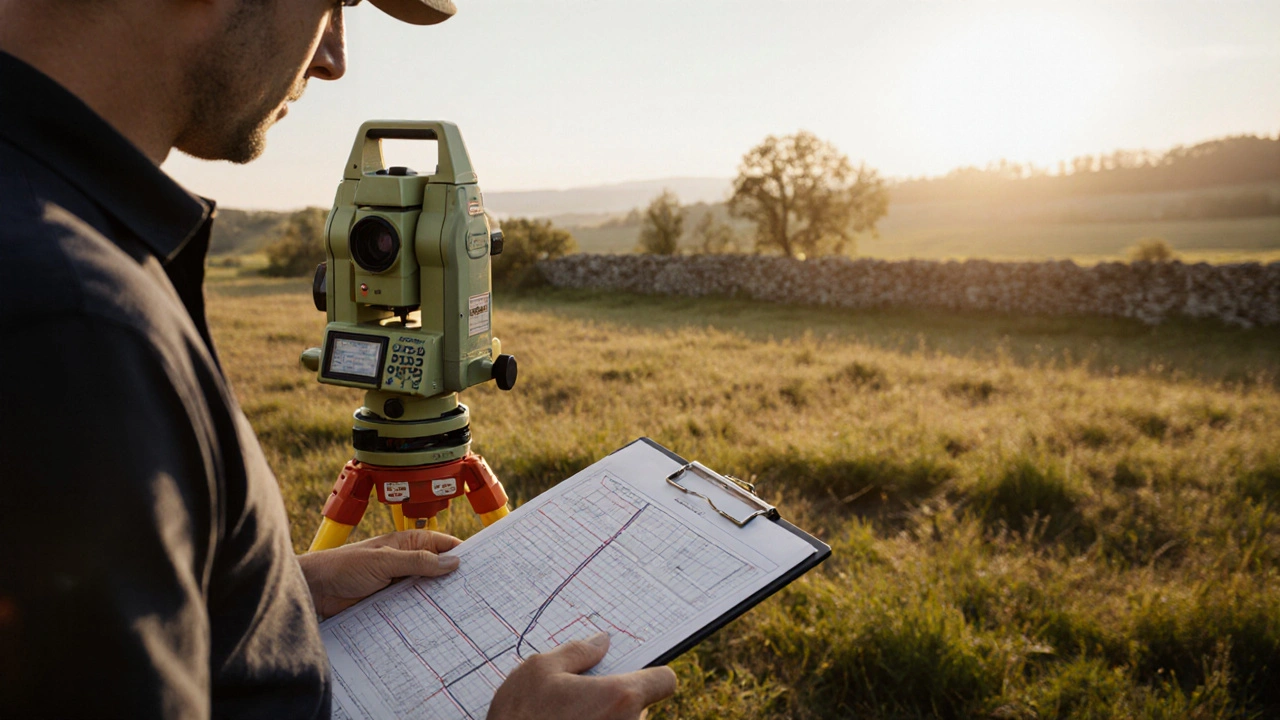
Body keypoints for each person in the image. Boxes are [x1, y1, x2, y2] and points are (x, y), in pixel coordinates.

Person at [0, 0, 678, 717]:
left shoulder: (52, 245)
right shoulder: (69, 320)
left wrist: (273, 597)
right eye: (334, 2)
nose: (332, 59)